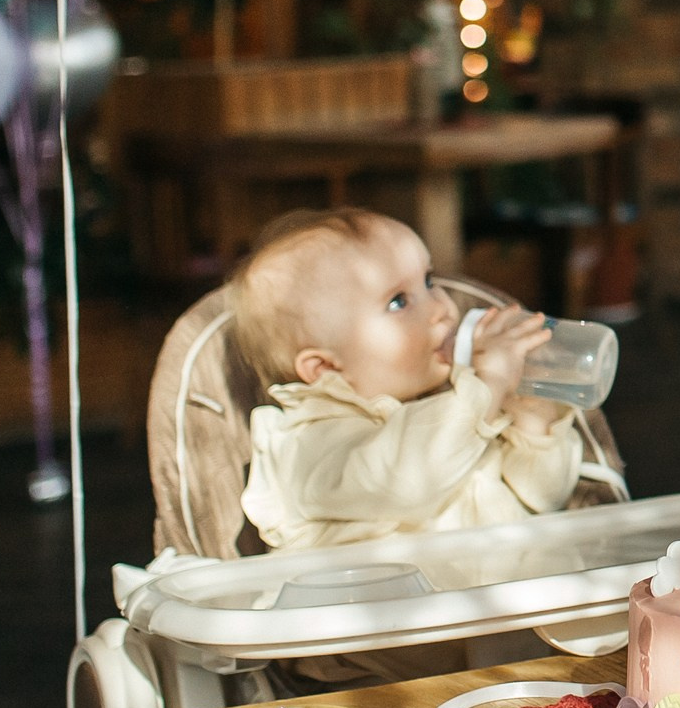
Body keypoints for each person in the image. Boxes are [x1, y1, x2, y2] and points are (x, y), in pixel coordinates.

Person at [230, 207, 585, 549]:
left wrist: (532, 420)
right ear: (326, 368)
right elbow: (414, 478)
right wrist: (489, 385)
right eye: (399, 302)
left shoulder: (460, 402)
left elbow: (547, 498)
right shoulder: (309, 446)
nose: (442, 307)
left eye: (429, 281)